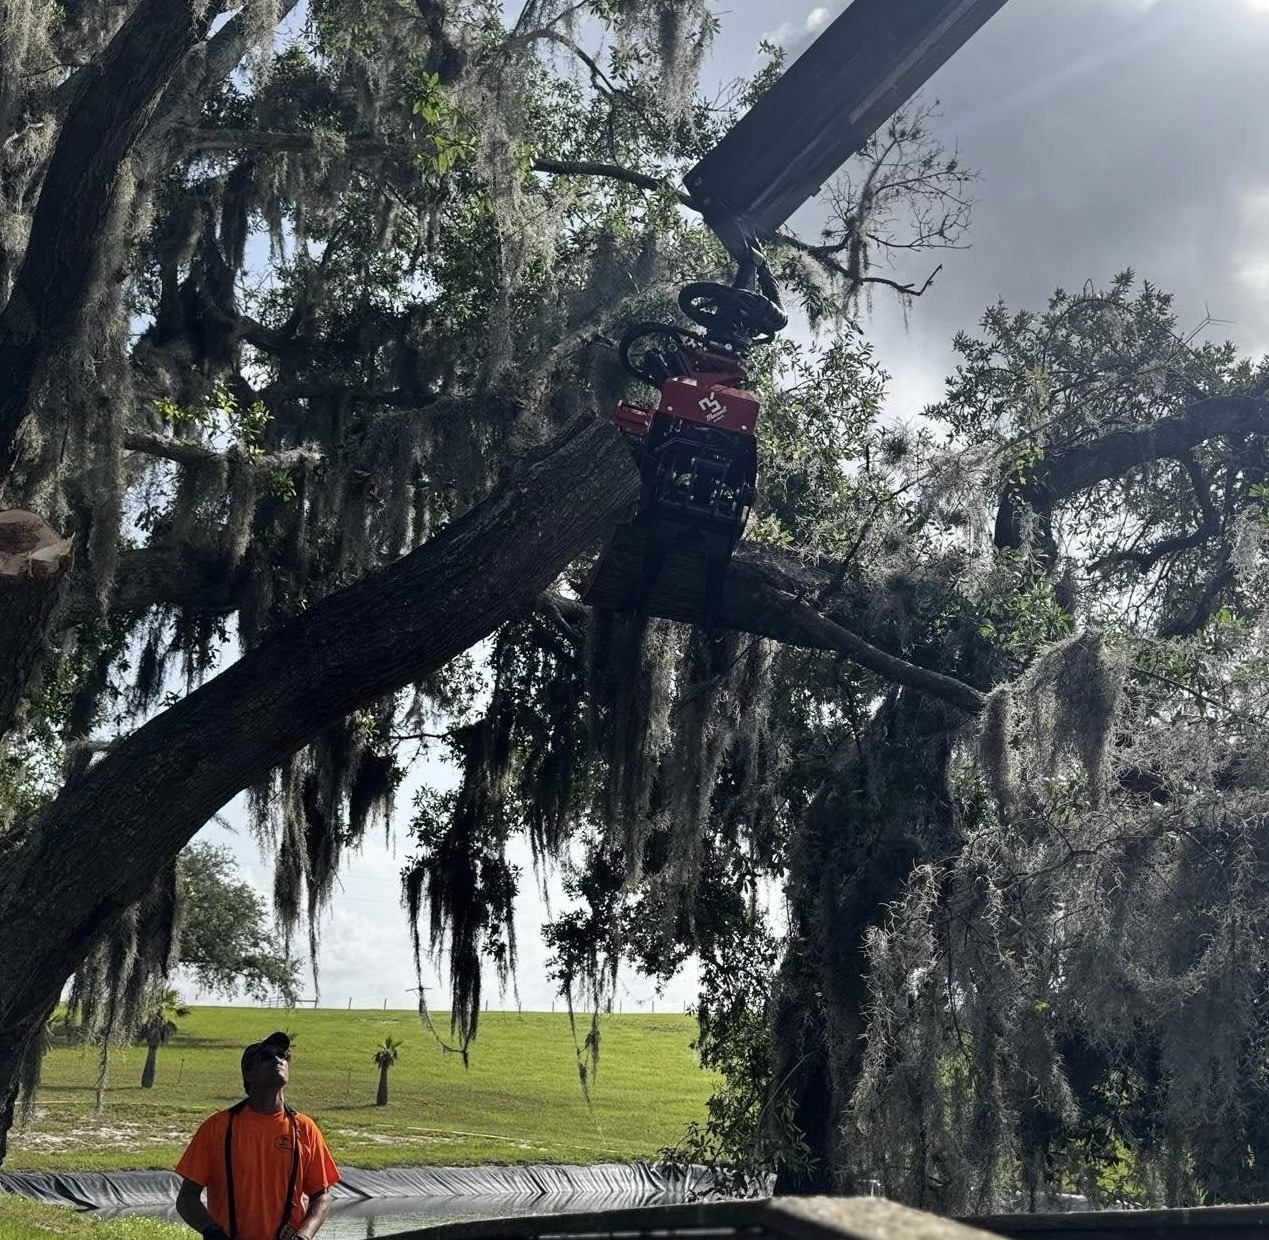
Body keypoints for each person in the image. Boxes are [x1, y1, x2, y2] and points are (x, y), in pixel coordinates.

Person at [175, 1031, 339, 1240]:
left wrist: (304, 1236)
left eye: (282, 1055)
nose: (278, 1060)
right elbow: (187, 1198)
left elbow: (322, 1197)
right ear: (248, 1074)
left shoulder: (305, 1128)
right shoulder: (217, 1128)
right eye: (266, 1056)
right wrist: (212, 1232)